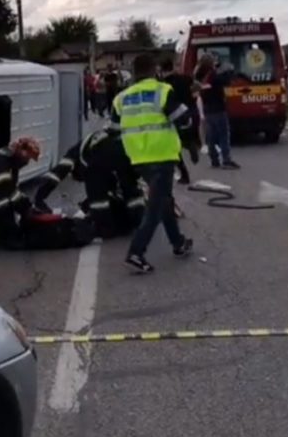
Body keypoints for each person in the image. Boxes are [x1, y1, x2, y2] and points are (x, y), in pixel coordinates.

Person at [112, 54, 193, 273]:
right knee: (156, 207)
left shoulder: (121, 98)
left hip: (138, 158)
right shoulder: (162, 91)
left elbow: (113, 128)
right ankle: (136, 252)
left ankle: (178, 243)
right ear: (154, 69)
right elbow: (184, 120)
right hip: (162, 154)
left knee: (163, 199)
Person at [33, 124, 145, 238]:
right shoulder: (98, 140)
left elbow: (56, 174)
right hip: (125, 150)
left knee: (97, 196)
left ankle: (105, 228)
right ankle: (140, 219)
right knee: (130, 187)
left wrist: (40, 197)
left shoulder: (76, 154)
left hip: (103, 155)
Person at [160, 59, 201, 184]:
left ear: (162, 71)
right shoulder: (186, 78)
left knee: (174, 147)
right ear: (172, 67)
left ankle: (184, 174)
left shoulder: (163, 84)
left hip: (175, 114)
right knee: (186, 135)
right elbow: (197, 88)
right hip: (189, 112)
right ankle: (190, 145)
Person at [194, 53, 239, 169]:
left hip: (207, 109)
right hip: (218, 108)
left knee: (211, 137)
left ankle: (214, 159)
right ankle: (226, 160)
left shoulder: (198, 76)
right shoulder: (213, 75)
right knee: (223, 135)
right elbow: (225, 82)